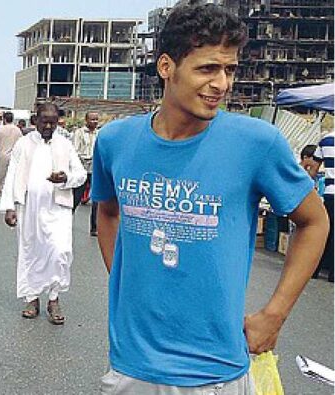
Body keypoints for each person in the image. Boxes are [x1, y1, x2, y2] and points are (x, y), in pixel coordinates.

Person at [90, 5, 329, 393]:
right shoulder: (116, 141)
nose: (221, 83)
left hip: (215, 372)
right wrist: (126, 283)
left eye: (229, 70)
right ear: (166, 67)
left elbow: (315, 221)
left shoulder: (256, 144)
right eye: (207, 69)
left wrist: (275, 314)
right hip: (131, 367)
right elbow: (108, 212)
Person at [0, 102, 86, 325]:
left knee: (60, 252)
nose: (48, 125)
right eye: (44, 121)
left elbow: (81, 174)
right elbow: (12, 174)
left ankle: (54, 298)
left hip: (58, 208)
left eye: (53, 122)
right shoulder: (23, 143)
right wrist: (9, 206)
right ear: (35, 120)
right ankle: (32, 298)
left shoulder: (65, 144)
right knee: (31, 252)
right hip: (28, 208)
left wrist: (65, 178)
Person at [71, 112, 101, 236]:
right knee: (76, 197)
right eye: (92, 119)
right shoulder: (79, 133)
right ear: (86, 120)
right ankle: (66, 220)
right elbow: (74, 150)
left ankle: (94, 228)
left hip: (95, 168)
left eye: (96, 119)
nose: (94, 122)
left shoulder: (100, 134)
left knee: (96, 200)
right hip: (82, 167)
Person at [310, 132, 333, 282]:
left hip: (331, 193)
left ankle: (314, 269)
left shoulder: (326, 139)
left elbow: (313, 169)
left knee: (325, 231)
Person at [0, 111, 22, 200]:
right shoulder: (18, 130)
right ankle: (5, 192)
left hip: (2, 155)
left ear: (4, 119)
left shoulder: (1, 129)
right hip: (14, 156)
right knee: (10, 175)